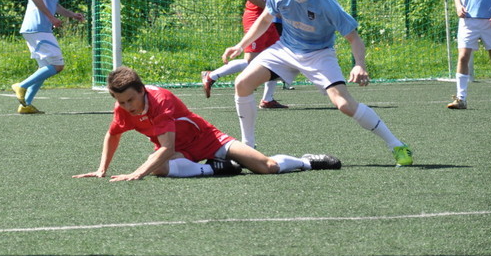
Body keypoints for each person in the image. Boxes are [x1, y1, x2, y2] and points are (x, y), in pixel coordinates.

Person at [222, 0, 413, 167]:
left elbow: (354, 39)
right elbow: (265, 20)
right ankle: (248, 148)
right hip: (286, 48)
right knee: (242, 83)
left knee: (344, 104)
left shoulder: (326, 3)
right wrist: (240, 45)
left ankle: (397, 145)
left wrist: (360, 65)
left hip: (319, 53)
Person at [73, 66, 341, 181]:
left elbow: (166, 148)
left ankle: (307, 161)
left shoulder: (160, 100)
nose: (127, 106)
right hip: (182, 150)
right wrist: (101, 169)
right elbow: (113, 135)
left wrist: (136, 173)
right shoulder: (122, 109)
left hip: (209, 140)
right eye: (121, 102)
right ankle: (215, 169)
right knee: (159, 167)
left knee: (267, 167)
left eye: (131, 99)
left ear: (142, 90)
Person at [201, 0, 288, 108]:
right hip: (256, 19)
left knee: (277, 58)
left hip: (268, 20)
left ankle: (267, 99)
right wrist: (271, 9)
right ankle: (211, 76)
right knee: (251, 62)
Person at [12, 0, 85, 114]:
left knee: (45, 68)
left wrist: (72, 15)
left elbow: (55, 5)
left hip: (37, 28)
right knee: (58, 65)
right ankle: (21, 86)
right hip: (38, 28)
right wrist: (51, 18)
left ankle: (26, 105)